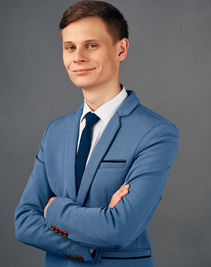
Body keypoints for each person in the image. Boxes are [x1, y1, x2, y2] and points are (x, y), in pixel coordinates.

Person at [14, 1, 179, 266]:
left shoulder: (156, 133)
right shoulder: (54, 132)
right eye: (70, 47)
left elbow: (119, 230)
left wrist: (53, 209)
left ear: (121, 49)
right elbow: (23, 221)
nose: (78, 56)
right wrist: (84, 247)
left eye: (91, 45)